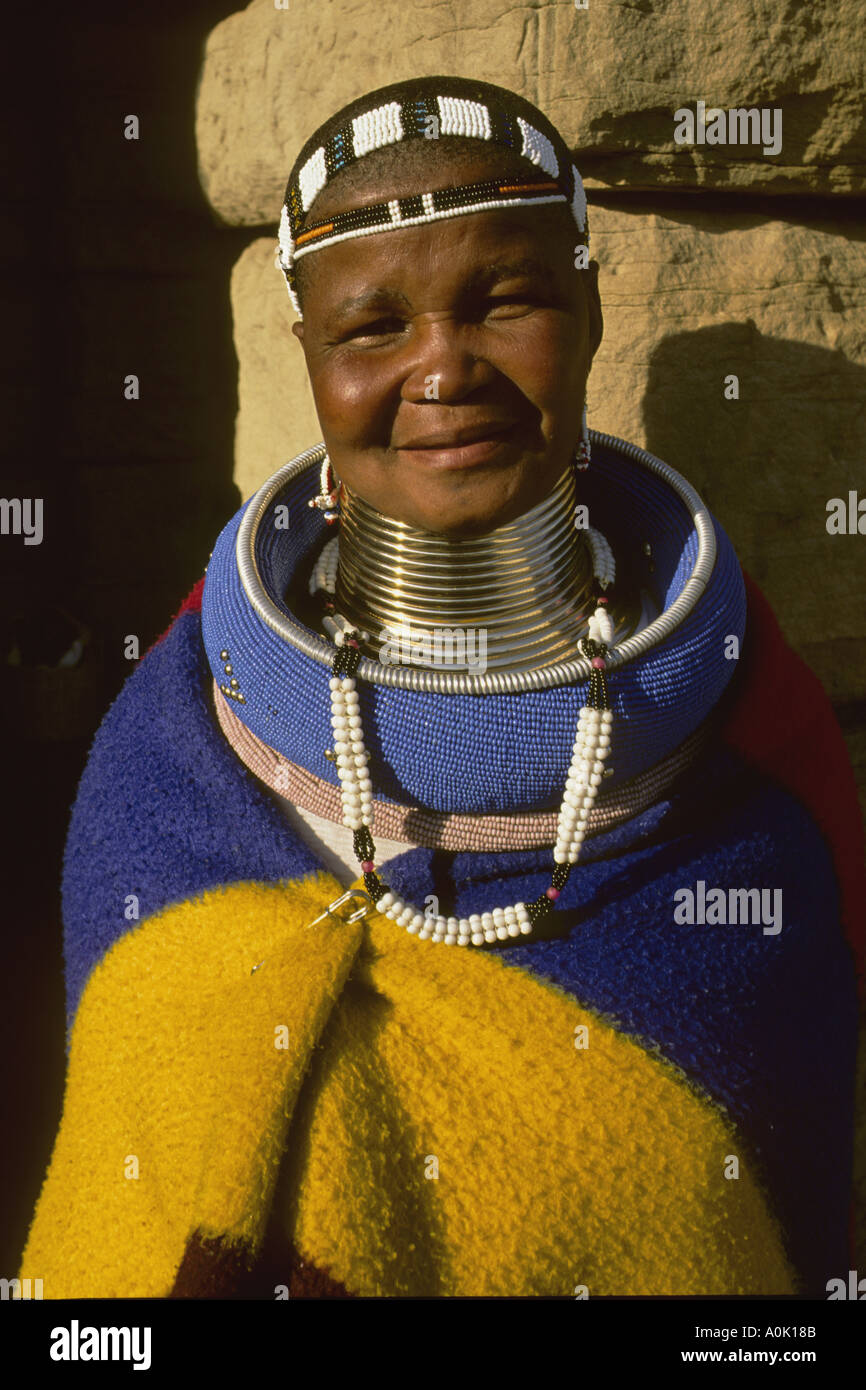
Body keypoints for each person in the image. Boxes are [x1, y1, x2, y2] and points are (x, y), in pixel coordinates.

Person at [20, 76, 863, 1299]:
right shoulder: (176, 744)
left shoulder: (748, 773)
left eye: (504, 300)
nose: (441, 368)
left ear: (586, 309)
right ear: (306, 350)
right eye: (371, 326)